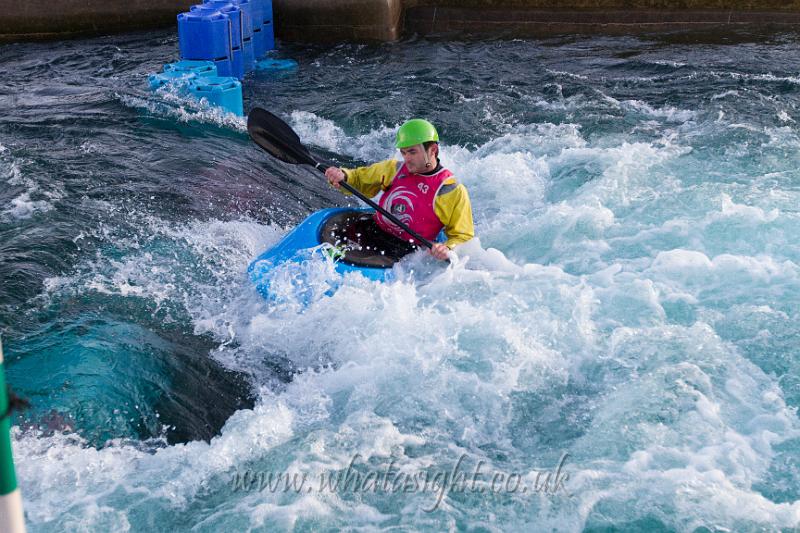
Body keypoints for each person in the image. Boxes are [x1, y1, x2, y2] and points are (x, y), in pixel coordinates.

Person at [324, 119, 474, 261]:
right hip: (373, 229)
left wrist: (447, 248)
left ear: (433, 150)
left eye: (412, 152)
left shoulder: (451, 190)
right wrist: (343, 176)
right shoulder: (393, 169)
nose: (406, 158)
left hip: (404, 250)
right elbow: (358, 179)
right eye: (403, 152)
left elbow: (463, 237)